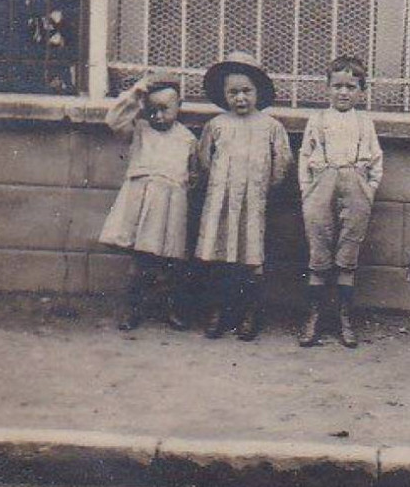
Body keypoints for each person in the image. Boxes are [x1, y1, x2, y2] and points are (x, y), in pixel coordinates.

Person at [196, 51, 292, 341]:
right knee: (221, 255)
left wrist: (267, 188)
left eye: (246, 91)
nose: (240, 98)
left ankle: (249, 313)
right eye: (233, 92)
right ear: (224, 94)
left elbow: (282, 162)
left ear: (258, 92)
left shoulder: (271, 126)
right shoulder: (216, 125)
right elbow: (204, 159)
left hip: (255, 203)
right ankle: (219, 311)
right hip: (222, 202)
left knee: (251, 258)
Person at [98, 74, 198, 331]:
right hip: (143, 205)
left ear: (179, 106)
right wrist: (134, 94)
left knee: (171, 263)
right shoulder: (140, 131)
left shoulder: (187, 139)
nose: (159, 116)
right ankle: (132, 308)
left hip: (172, 205)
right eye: (153, 110)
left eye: (165, 109)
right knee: (141, 262)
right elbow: (113, 120)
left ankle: (170, 307)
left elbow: (195, 173)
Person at [297, 55, 384, 348]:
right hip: (321, 187)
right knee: (319, 252)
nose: (343, 92)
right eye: (337, 86)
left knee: (347, 254)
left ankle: (345, 318)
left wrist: (368, 189)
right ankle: (315, 317)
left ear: (362, 91)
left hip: (355, 187)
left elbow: (376, 160)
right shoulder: (318, 120)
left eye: (351, 86)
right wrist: (307, 190)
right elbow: (304, 158)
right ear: (327, 88)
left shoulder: (364, 123)